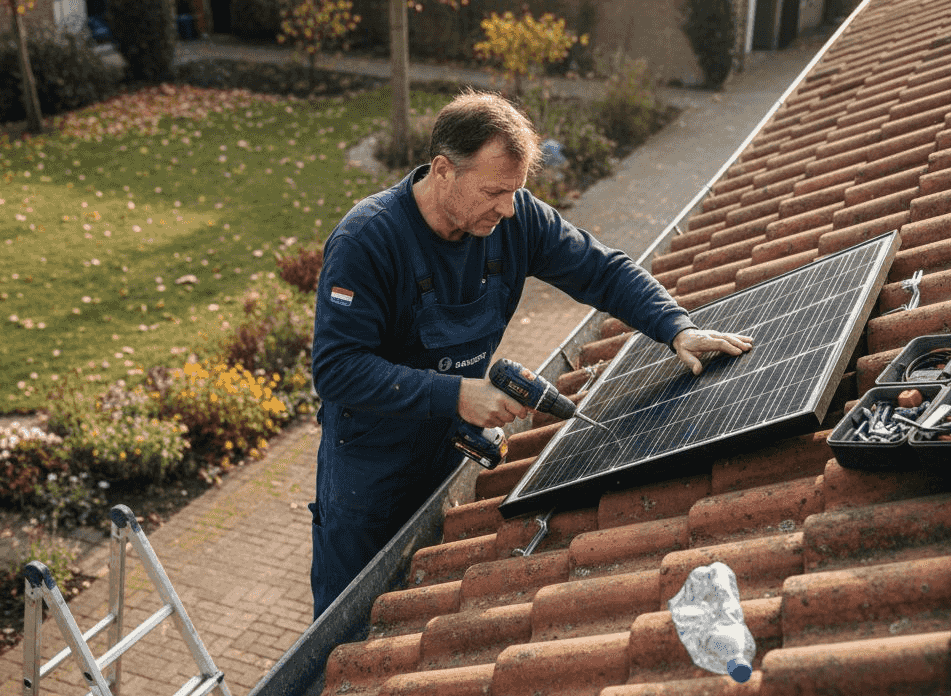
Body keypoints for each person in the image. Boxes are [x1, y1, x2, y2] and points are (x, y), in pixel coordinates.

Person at [308, 89, 752, 617]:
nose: (509, 207)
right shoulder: (368, 240)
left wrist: (676, 327)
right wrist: (456, 393)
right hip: (370, 469)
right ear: (443, 170)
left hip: (449, 451)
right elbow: (337, 369)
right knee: (346, 623)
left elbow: (602, 271)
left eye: (517, 190)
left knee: (421, 601)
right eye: (495, 190)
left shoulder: (512, 221)